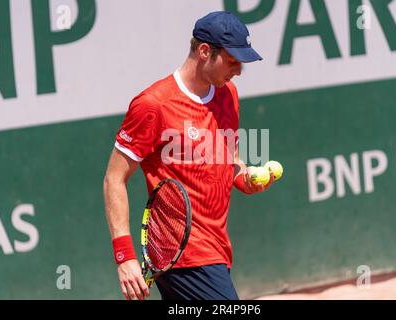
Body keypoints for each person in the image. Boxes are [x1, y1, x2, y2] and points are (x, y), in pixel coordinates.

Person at [103, 11, 275, 300]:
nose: (238, 70)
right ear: (205, 51)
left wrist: (245, 179)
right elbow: (114, 179)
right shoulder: (153, 105)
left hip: (218, 247)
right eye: (232, 61)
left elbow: (230, 159)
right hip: (182, 253)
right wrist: (125, 256)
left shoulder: (228, 94)